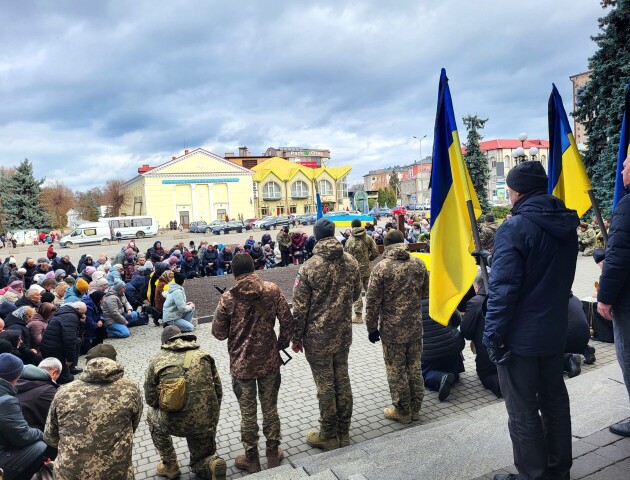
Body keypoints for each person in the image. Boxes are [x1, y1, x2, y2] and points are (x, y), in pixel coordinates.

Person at [483, 161, 579, 480]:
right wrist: (495, 259)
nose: (509, 196)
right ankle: (558, 469)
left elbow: (504, 290)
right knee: (554, 402)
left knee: (523, 412)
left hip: (520, 340)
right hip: (553, 331)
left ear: (517, 191)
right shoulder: (565, 222)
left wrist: (493, 337)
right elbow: (543, 270)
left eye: (509, 191)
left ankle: (532, 474)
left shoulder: (514, 227)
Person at [213, 254, 293, 473]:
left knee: (247, 413)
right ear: (254, 268)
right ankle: (273, 454)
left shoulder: (228, 298)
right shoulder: (272, 289)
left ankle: (252, 458)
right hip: (269, 362)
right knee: (270, 409)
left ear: (234, 273)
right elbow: (287, 320)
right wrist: (281, 344)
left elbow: (218, 333)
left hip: (241, 366)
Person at [292, 218, 361, 451]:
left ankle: (328, 434)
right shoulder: (350, 261)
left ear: (316, 236)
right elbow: (355, 295)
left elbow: (300, 308)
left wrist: (296, 337)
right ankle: (344, 432)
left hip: (317, 338)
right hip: (343, 334)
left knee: (325, 385)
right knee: (342, 379)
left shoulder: (309, 267)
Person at [44, 344, 143, 480]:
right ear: (114, 361)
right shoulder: (131, 388)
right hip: (117, 472)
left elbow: (51, 437)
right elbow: (133, 425)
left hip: (71, 474)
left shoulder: (64, 392)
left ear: (87, 363)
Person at [144, 326, 226, 480]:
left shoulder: (157, 360)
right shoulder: (204, 355)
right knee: (200, 460)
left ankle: (170, 464)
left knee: (151, 415)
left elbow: (150, 399)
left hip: (173, 421)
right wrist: (211, 416)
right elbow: (218, 390)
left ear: (164, 342)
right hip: (206, 420)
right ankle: (211, 464)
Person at [365, 229, 427, 424]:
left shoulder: (381, 268)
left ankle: (402, 410)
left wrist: (371, 328)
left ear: (386, 245)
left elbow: (372, 302)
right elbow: (426, 292)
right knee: (414, 367)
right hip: (415, 326)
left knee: (396, 370)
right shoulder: (418, 264)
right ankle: (416, 408)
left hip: (392, 330)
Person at [597, 153, 630, 438]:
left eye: (626, 163)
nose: (621, 168)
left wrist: (604, 297)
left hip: (628, 302)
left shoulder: (627, 206)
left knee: (628, 356)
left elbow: (618, 258)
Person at [0, 353, 52, 480]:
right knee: (41, 445)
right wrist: (42, 433)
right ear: (17, 375)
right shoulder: (7, 401)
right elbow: (22, 436)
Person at [462, 270, 501, 398]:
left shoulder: (475, 302)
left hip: (488, 354)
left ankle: (505, 387)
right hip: (514, 349)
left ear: (476, 286)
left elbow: (466, 331)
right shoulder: (506, 294)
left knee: (487, 375)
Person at [420, 299, 465, 401]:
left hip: (429, 352)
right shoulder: (440, 296)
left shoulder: (411, 302)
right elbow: (458, 320)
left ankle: (441, 378)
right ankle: (454, 374)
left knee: (423, 375)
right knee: (450, 361)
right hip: (452, 345)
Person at [40, 302, 86, 384]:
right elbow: (69, 340)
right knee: (68, 378)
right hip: (55, 349)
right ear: (77, 310)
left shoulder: (63, 311)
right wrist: (70, 359)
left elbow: (75, 335)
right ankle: (68, 367)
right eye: (82, 313)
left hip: (48, 346)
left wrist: (82, 322)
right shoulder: (72, 317)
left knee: (78, 341)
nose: (83, 315)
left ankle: (71, 368)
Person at [344, 218, 379, 324]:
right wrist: (369, 259)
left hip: (355, 271)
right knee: (370, 291)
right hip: (367, 269)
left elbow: (346, 256)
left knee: (357, 293)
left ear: (352, 227)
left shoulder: (349, 241)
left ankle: (358, 316)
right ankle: (372, 314)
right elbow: (375, 251)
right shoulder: (368, 238)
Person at [16, 357, 61, 430]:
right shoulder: (47, 391)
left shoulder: (14, 382)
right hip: (31, 434)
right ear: (54, 372)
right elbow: (58, 421)